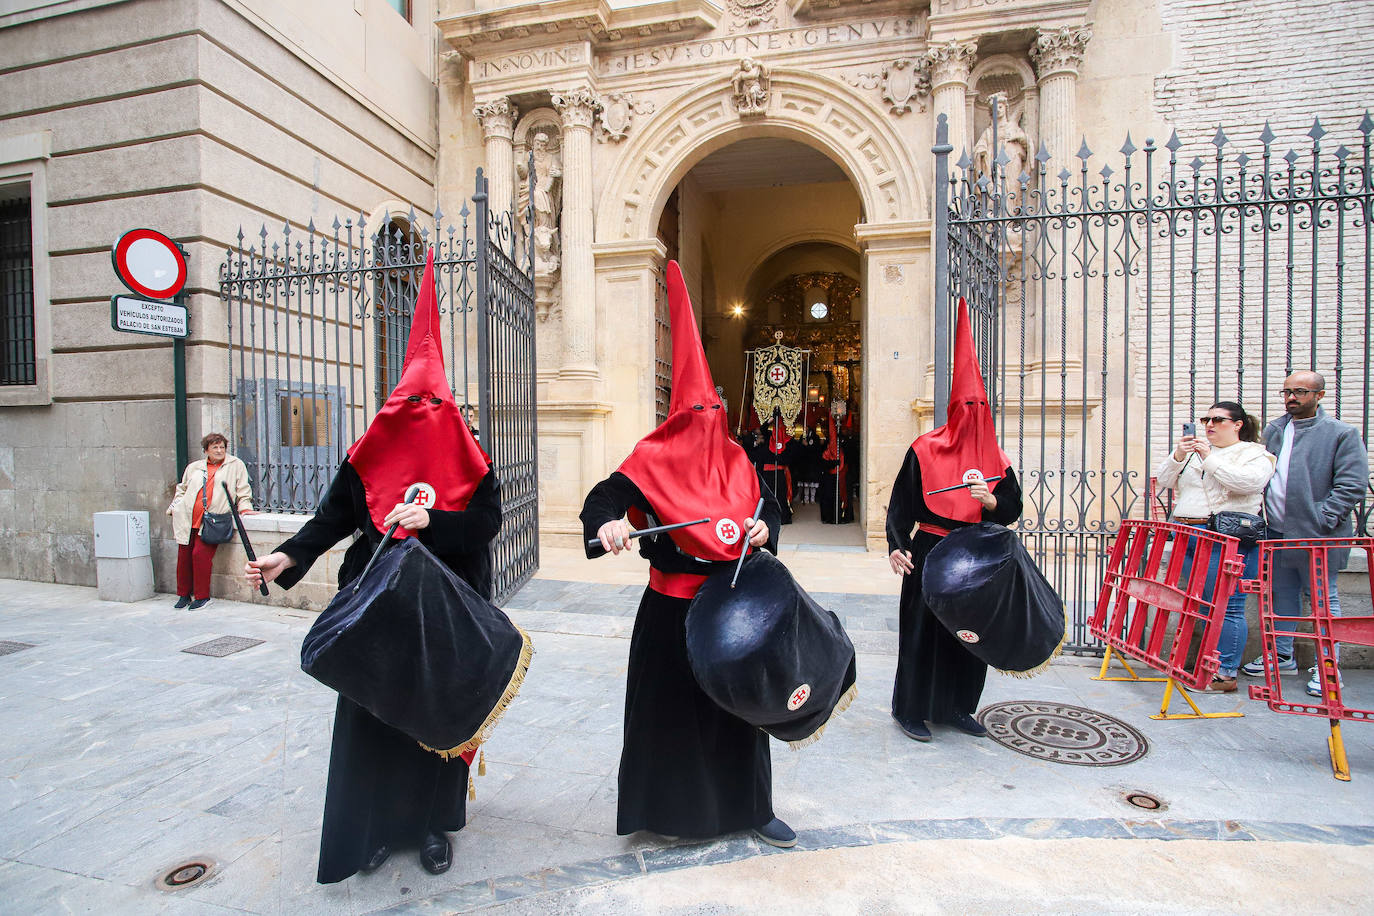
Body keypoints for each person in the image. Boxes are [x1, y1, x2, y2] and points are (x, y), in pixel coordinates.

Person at [245, 250, 502, 883]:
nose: (421, 415)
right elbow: (332, 520)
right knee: (376, 718)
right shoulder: (365, 459)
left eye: (432, 404)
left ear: (447, 405)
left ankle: (433, 825)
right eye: (411, 402)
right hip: (376, 612)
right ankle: (381, 823)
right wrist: (289, 556)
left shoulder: (475, 463)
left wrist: (434, 522)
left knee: (437, 719)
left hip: (445, 612)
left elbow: (485, 528)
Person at [580, 260, 794, 848]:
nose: (707, 424)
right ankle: (674, 816)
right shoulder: (652, 458)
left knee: (742, 713)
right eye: (695, 414)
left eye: (713, 414)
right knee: (671, 717)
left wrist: (762, 530)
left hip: (733, 608)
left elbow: (768, 508)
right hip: (671, 614)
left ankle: (753, 808)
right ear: (678, 416)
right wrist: (607, 528)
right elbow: (604, 498)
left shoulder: (737, 457)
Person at [886, 301, 1022, 741]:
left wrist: (991, 503)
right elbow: (900, 505)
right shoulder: (924, 449)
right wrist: (896, 545)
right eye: (968, 403)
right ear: (952, 406)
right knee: (922, 635)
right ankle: (911, 710)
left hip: (976, 556)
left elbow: (1013, 509)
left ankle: (959, 708)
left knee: (968, 637)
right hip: (929, 551)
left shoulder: (997, 459)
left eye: (981, 403)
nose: (974, 410)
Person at [1240, 371, 1369, 698]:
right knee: (1281, 596)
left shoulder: (1341, 433)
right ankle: (1282, 655)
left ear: (1319, 395)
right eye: (1287, 392)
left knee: (1323, 601)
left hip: (1318, 535)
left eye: (1299, 391)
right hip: (1278, 532)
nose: (1291, 398)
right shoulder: (1276, 429)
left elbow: (1352, 485)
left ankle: (1328, 665)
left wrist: (1322, 518)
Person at [1156, 401, 1275, 691]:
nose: (1209, 424)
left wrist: (1209, 457)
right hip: (1188, 531)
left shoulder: (1254, 453)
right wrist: (1179, 455)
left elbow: (1248, 483)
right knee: (1198, 601)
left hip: (1225, 536)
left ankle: (1226, 672)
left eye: (1218, 420)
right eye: (1206, 419)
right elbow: (1164, 480)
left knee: (1228, 604)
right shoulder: (1194, 453)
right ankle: (1200, 661)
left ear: (1237, 425)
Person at [167, 432, 254, 609]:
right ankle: (183, 595)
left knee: (200, 555)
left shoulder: (235, 465)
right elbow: (182, 489)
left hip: (213, 520)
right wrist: (176, 506)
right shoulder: (194, 467)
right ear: (206, 450)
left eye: (222, 447)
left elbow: (243, 489)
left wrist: (245, 507)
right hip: (188, 517)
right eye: (215, 447)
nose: (219, 450)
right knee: (184, 557)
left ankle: (201, 596)